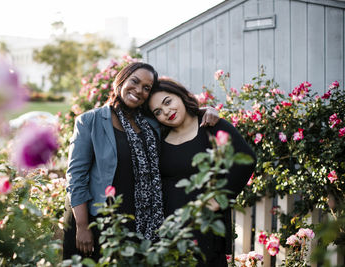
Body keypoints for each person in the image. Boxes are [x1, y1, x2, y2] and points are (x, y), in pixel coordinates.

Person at [63, 62, 220, 260]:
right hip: (100, 224)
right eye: (134, 82)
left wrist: (205, 110)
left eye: (146, 88)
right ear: (121, 80)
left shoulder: (150, 123)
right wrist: (82, 226)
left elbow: (179, 116)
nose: (138, 91)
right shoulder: (90, 121)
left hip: (141, 224)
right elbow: (76, 177)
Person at [147, 77, 256, 267]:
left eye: (168, 102)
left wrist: (219, 198)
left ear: (180, 96)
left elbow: (246, 160)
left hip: (206, 229)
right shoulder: (159, 138)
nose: (166, 112)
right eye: (158, 111)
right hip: (169, 233)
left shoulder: (212, 126)